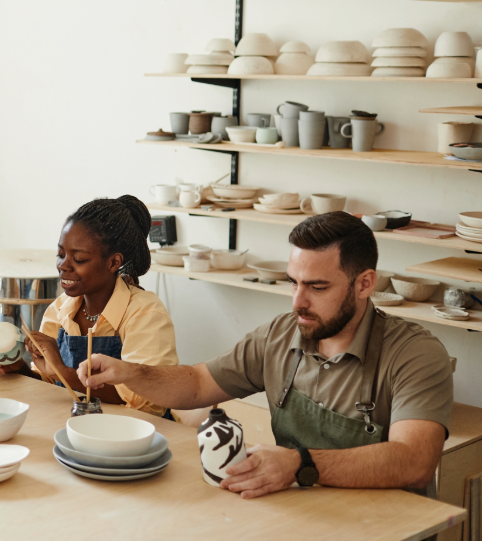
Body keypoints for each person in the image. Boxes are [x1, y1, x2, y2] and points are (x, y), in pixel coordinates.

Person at [80, 212, 453, 499]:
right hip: (300, 510)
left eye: (317, 287)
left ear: (364, 283)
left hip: (388, 526)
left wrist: (300, 464)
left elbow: (415, 460)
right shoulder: (283, 334)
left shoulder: (413, 354)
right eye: (294, 282)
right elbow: (197, 385)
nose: (298, 302)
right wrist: (131, 373)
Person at [0, 197, 179, 419]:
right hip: (75, 429)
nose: (63, 265)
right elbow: (51, 384)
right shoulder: (60, 310)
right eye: (61, 255)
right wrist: (18, 368)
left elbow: (145, 400)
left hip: (132, 436)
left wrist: (63, 371)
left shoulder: (145, 313)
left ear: (113, 263)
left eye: (78, 259)